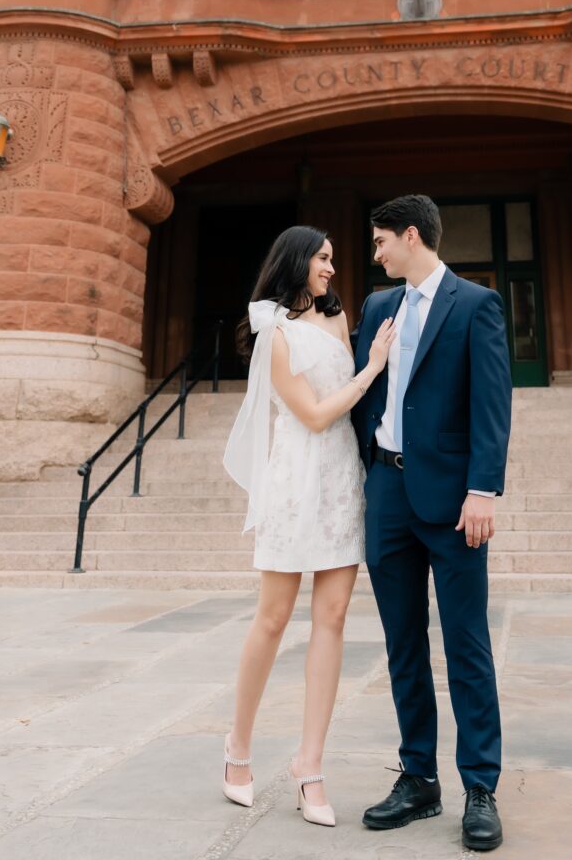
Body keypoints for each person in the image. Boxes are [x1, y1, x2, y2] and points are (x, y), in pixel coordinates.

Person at [351, 194, 513, 853]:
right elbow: (367, 392)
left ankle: (479, 786)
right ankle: (418, 777)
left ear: (411, 235)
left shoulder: (476, 305)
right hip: (387, 494)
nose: (377, 253)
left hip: (452, 502)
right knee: (402, 644)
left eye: (381, 241)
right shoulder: (376, 308)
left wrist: (483, 489)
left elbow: (492, 402)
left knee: (466, 643)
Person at [221, 224, 396, 827]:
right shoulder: (275, 333)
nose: (331, 267)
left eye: (331, 258)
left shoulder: (337, 319)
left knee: (334, 617)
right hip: (296, 478)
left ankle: (310, 764)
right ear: (296, 261)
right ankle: (236, 751)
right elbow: (316, 414)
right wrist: (372, 368)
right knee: (272, 618)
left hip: (341, 479)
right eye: (322, 258)